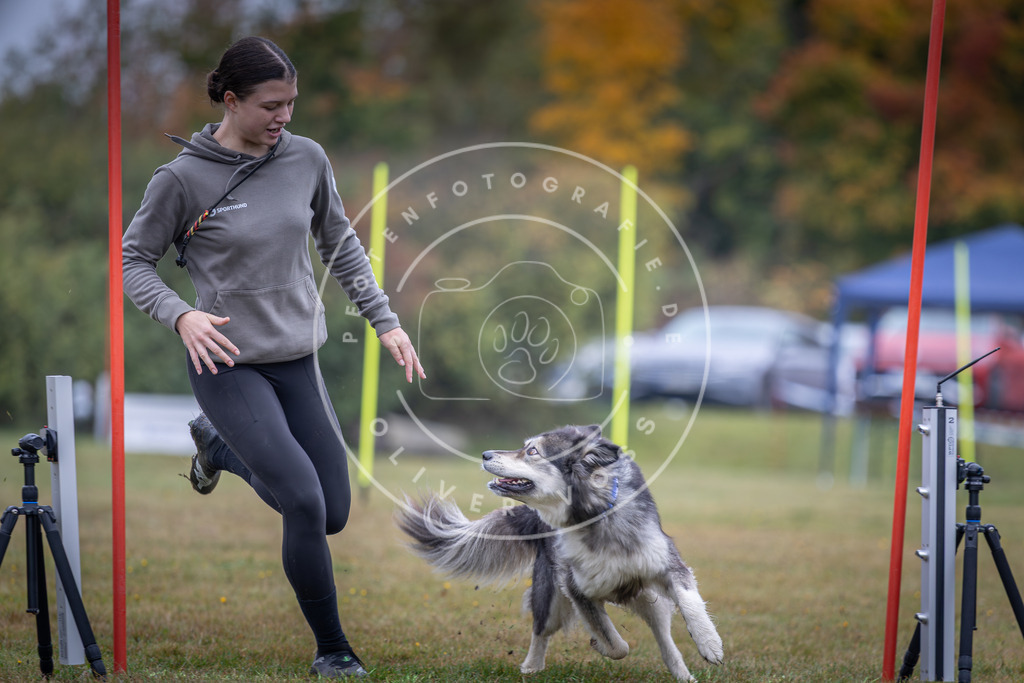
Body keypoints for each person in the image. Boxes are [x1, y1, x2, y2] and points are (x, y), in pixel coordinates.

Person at [122, 36, 425, 679]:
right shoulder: (181, 179)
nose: (284, 115)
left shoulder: (306, 158)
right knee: (304, 502)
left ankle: (221, 450)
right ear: (231, 101)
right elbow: (132, 261)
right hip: (227, 363)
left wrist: (386, 322)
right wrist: (181, 314)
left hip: (297, 359)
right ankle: (333, 649)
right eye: (270, 105)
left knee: (333, 512)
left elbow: (340, 242)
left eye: (291, 102)